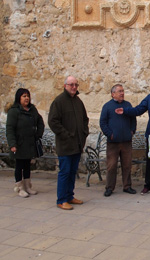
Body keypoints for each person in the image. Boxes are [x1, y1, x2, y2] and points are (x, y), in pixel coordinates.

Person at [48, 76, 89, 210]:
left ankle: (70, 196)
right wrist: (66, 135)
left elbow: (85, 119)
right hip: (65, 144)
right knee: (64, 172)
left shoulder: (78, 101)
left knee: (72, 172)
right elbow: (53, 122)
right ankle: (61, 199)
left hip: (77, 144)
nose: (74, 87)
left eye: (76, 85)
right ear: (65, 86)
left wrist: (84, 133)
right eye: (71, 84)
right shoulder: (59, 101)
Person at [6, 88, 44, 198]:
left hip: (30, 143)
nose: (26, 98)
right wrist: (12, 144)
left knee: (27, 165)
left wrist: (38, 134)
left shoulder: (32, 110)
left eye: (27, 96)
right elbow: (10, 129)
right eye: (24, 96)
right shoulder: (14, 112)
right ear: (19, 98)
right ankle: (20, 187)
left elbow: (40, 121)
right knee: (19, 166)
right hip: (19, 144)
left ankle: (28, 186)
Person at [100, 84, 137, 197]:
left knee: (127, 165)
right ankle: (109, 187)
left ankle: (127, 186)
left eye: (123, 91)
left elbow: (133, 119)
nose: (122, 93)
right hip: (113, 143)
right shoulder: (107, 106)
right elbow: (103, 122)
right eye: (119, 91)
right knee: (111, 165)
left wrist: (132, 131)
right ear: (113, 94)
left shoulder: (128, 105)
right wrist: (110, 134)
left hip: (126, 141)